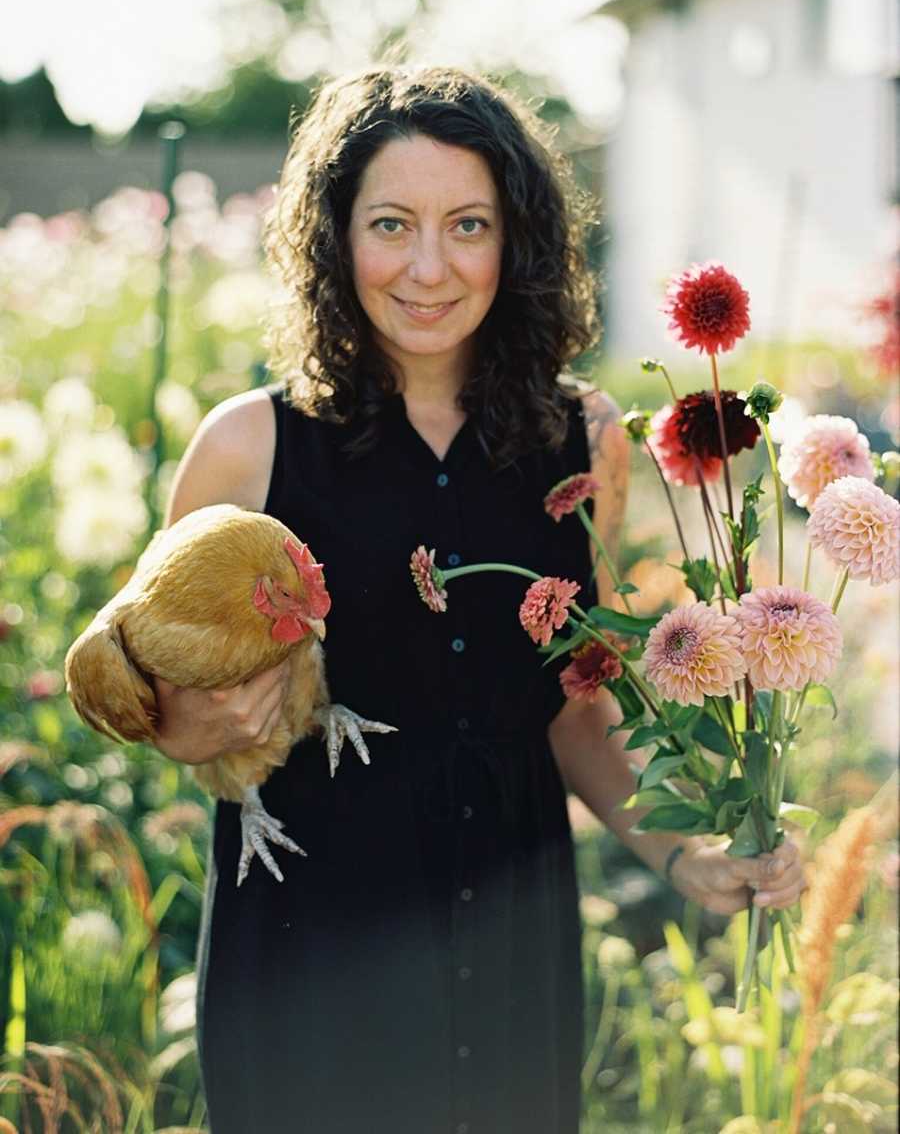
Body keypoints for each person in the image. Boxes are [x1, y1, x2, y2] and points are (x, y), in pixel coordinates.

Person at [152, 66, 806, 1134]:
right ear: (332, 237)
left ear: (518, 241)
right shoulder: (247, 447)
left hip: (511, 945)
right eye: (390, 223)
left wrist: (686, 850)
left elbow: (575, 708)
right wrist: (195, 721)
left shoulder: (584, 437)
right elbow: (150, 688)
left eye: (467, 224)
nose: (428, 266)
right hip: (311, 964)